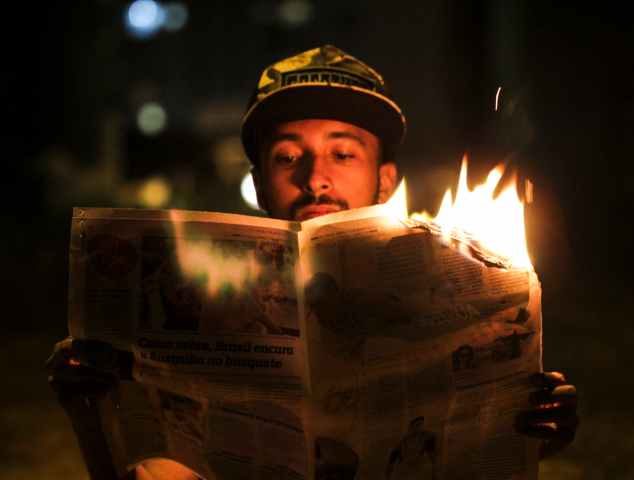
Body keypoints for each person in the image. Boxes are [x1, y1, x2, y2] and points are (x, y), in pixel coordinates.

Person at [48, 45, 578, 480]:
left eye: (343, 153)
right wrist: (90, 408)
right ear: (258, 184)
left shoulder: (453, 270)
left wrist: (530, 421)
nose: (315, 177)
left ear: (386, 179)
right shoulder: (203, 289)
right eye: (287, 156)